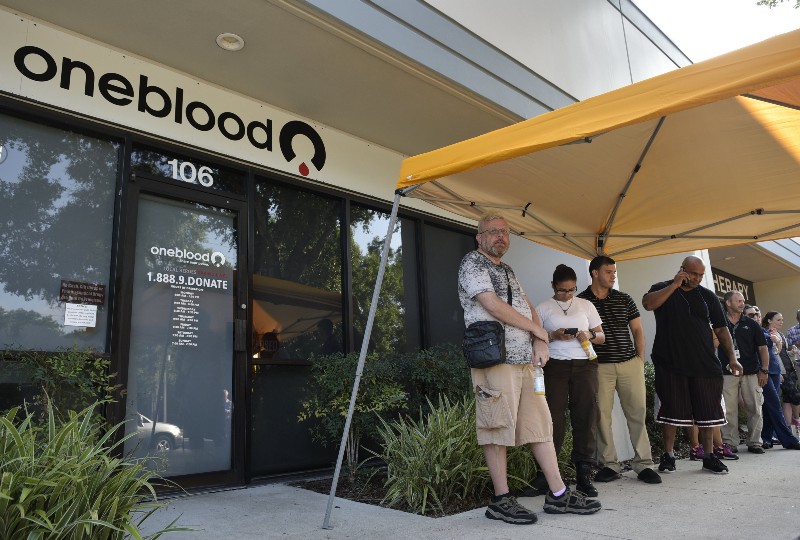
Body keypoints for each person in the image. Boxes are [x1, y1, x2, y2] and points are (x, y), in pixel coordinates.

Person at [458, 214, 601, 525]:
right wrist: (538, 332)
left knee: (541, 425)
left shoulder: (507, 269)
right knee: (496, 427)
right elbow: (492, 305)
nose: (501, 237)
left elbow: (527, 305)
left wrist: (539, 340)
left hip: (525, 361)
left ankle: (559, 494)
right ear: (479, 237)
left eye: (506, 233)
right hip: (494, 358)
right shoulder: (472, 263)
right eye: (494, 232)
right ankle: (500, 499)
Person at [641, 255, 742, 474]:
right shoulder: (662, 288)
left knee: (707, 413)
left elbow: (721, 329)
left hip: (704, 364)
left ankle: (708, 456)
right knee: (671, 411)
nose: (696, 279)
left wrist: (732, 358)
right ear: (682, 270)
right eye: (693, 273)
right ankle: (667, 456)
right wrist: (675, 284)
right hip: (670, 362)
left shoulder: (707, 296)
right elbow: (648, 304)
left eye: (700, 275)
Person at [577, 255, 661, 485]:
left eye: (614, 272)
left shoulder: (624, 299)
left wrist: (639, 360)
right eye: (608, 272)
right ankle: (609, 465)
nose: (613, 276)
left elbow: (638, 331)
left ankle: (643, 464)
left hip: (628, 364)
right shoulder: (581, 301)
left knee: (637, 414)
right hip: (598, 368)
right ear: (594, 272)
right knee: (602, 417)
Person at [536, 263, 604, 496]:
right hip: (555, 366)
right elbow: (535, 338)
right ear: (553, 286)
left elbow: (601, 336)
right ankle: (548, 476)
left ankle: (584, 474)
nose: (567, 295)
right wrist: (553, 335)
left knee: (586, 417)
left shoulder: (585, 305)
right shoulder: (543, 307)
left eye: (572, 290)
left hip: (585, 365)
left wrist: (590, 335)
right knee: (553, 419)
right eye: (562, 290)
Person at [719, 294, 769, 455]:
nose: (743, 304)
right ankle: (729, 443)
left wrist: (764, 370)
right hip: (727, 373)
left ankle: (755, 442)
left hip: (751, 372)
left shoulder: (752, 324)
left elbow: (762, 348)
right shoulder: (719, 322)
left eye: (743, 301)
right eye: (738, 301)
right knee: (729, 409)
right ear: (728, 302)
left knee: (755, 407)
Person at [759, 311, 800, 449]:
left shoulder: (778, 334)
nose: (781, 321)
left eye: (757, 314)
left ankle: (767, 438)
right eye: (778, 319)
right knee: (774, 404)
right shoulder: (760, 331)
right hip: (764, 371)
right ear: (769, 320)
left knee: (769, 405)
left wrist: (781, 371)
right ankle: (788, 439)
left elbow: (777, 352)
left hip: (776, 370)